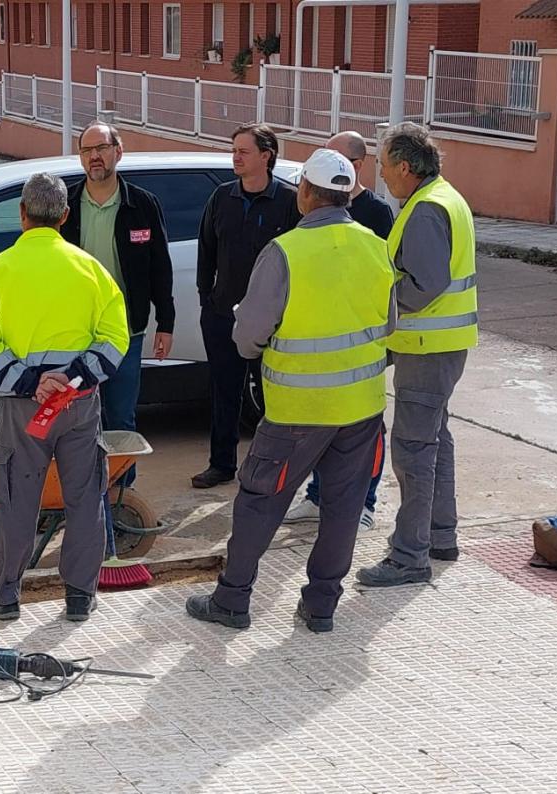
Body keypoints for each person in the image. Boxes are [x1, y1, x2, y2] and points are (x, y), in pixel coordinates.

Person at [184, 149, 395, 633]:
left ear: (303, 193)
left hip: (298, 410)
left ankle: (232, 601)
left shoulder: (286, 251)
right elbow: (390, 325)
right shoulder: (375, 246)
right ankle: (321, 607)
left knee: (259, 502)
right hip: (361, 409)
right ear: (346, 194)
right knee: (342, 511)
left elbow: (247, 336)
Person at [0, 173, 130, 622]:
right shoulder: (90, 269)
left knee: (17, 500)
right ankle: (79, 597)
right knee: (84, 498)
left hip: (23, 410)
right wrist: (74, 378)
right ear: (65, 216)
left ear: (22, 214)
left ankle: (5, 596)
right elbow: (115, 339)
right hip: (79, 405)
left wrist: (31, 382)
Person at [357, 122, 478, 588]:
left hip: (427, 347)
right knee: (434, 441)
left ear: (406, 167)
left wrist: (379, 303)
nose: (383, 176)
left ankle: (409, 556)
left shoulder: (426, 210)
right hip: (440, 346)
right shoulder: (443, 197)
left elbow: (424, 285)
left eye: (385, 167)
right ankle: (439, 536)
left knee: (412, 451)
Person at [284, 130, 395, 530]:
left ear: (355, 166)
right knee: (321, 429)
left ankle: (364, 502)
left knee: (365, 432)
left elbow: (385, 284)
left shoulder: (377, 214)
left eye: (332, 158)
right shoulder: (306, 215)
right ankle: (317, 497)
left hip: (360, 350)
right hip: (321, 348)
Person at [60, 121, 174, 489]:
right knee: (75, 418)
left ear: (117, 152)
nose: (94, 156)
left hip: (126, 331)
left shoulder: (142, 204)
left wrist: (166, 322)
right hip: (74, 331)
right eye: (86, 150)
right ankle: (80, 493)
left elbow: (160, 266)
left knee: (121, 418)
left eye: (101, 148)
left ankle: (122, 497)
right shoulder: (66, 205)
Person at [193, 122, 301, 489]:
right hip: (224, 315)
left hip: (273, 322)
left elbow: (300, 260)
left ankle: (273, 467)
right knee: (225, 392)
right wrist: (206, 298)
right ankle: (221, 464)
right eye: (234, 150)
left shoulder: (289, 201)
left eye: (243, 151)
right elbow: (206, 250)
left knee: (272, 397)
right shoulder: (222, 197)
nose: (235, 157)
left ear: (266, 157)